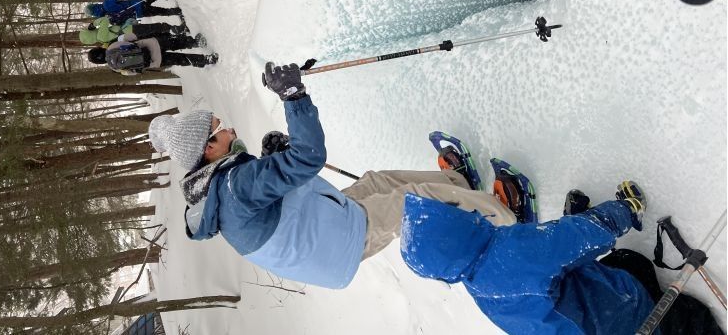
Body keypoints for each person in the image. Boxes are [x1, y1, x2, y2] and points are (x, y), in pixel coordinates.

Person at [147, 62, 515, 289]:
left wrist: (278, 160)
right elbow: (309, 158)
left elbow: (286, 202)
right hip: (341, 241)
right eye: (220, 128)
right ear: (209, 149)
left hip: (328, 222)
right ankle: (501, 214)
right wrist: (294, 98)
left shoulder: (224, 189)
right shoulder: (235, 186)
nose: (228, 129)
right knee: (412, 200)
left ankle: (459, 186)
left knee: (378, 181)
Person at [399, 180, 654, 335]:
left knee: (555, 266)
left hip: (585, 322)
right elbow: (579, 236)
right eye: (453, 211)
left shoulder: (476, 279)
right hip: (626, 319)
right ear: (453, 236)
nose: (464, 210)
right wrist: (624, 210)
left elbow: (539, 277)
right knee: (629, 262)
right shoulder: (507, 253)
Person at [87, 32, 217, 73]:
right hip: (151, 45)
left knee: (180, 59)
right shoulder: (112, 46)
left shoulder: (114, 68)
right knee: (176, 43)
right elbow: (131, 37)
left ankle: (206, 60)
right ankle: (195, 42)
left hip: (154, 61)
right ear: (99, 49)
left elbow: (133, 72)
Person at [85, 0, 181, 25]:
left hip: (138, 14)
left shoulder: (105, 20)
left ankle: (176, 11)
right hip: (138, 4)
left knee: (160, 12)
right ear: (94, 6)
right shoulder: (106, 5)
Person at [78, 16, 190, 47]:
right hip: (131, 31)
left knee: (155, 32)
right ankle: (178, 29)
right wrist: (93, 24)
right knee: (156, 27)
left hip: (131, 34)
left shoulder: (101, 39)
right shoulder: (101, 35)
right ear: (89, 33)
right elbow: (104, 19)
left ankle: (178, 33)